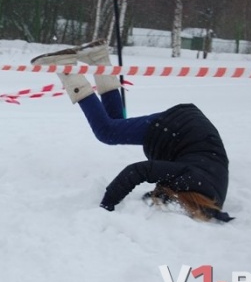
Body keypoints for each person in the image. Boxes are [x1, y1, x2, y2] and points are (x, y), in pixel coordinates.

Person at [31, 40, 233, 222]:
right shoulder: (189, 181)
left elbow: (207, 209)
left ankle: (98, 57)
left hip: (190, 129)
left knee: (115, 124)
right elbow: (138, 171)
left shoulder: (208, 198)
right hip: (179, 128)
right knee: (107, 131)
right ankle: (65, 67)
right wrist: (107, 204)